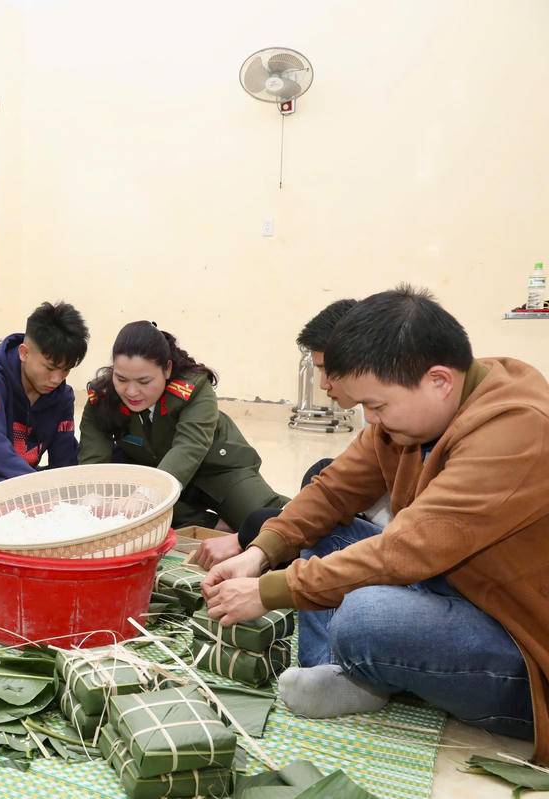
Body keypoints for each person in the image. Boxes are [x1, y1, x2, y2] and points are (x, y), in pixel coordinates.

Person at [202, 286, 549, 762]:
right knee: (315, 530)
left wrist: (268, 591)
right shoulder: (423, 408)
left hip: (521, 646)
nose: (370, 419)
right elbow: (331, 491)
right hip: (456, 587)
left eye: (378, 406)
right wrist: (259, 554)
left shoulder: (516, 431)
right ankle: (342, 672)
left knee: (367, 617)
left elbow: (406, 550)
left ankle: (363, 666)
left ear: (439, 381)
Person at [194, 298, 393, 568]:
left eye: (327, 370)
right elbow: (336, 484)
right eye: (122, 379)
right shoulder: (377, 416)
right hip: (373, 515)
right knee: (316, 476)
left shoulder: (399, 415)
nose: (323, 384)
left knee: (259, 525)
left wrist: (268, 581)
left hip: (392, 540)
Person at [78, 321, 288, 531]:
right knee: (124, 508)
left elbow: (190, 447)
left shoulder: (193, 387)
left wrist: (146, 495)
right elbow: (93, 464)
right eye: (121, 378)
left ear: (167, 369)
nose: (131, 392)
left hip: (217, 468)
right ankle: (210, 523)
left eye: (144, 381)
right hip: (157, 473)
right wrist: (93, 504)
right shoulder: (103, 399)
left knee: (263, 522)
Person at [0, 301, 89, 489]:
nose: (57, 378)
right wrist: (39, 487)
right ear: (24, 353)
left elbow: (64, 458)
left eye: (66, 369)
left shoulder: (63, 396)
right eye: (50, 368)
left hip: (26, 480)